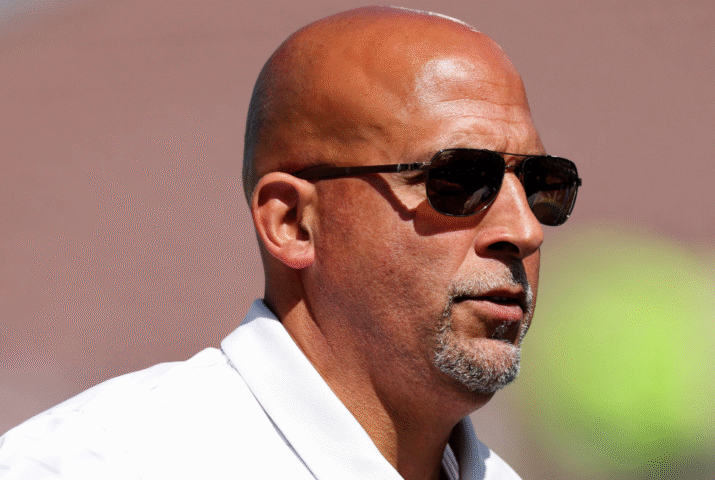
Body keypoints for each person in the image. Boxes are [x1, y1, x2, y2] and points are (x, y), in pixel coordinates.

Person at [0, 6, 581, 480]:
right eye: (457, 181)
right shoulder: (97, 465)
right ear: (293, 223)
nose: (523, 229)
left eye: (540, 185)